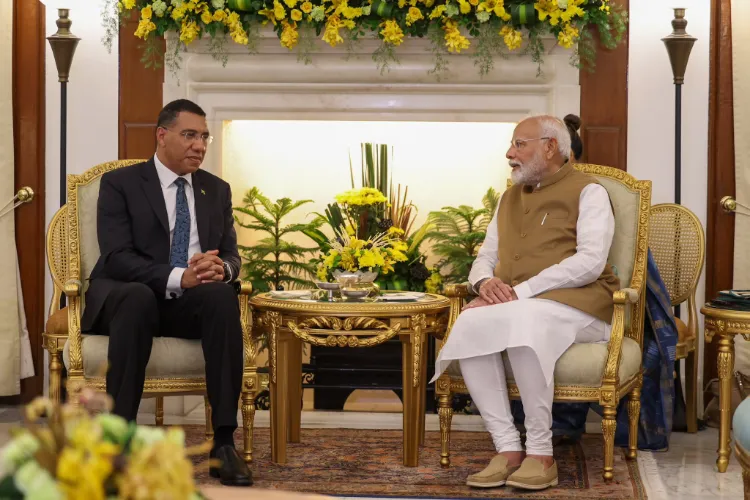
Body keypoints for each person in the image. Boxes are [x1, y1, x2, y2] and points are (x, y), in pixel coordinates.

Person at [431, 114, 619, 491]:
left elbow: (590, 263)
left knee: (523, 321)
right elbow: (486, 255)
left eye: (520, 144)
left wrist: (521, 292)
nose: (509, 153)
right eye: (512, 145)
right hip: (523, 307)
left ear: (550, 147)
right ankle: (507, 447)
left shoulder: (590, 191)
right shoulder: (509, 197)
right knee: (471, 320)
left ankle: (540, 452)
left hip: (585, 307)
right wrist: (485, 283)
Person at [81, 99, 252, 487]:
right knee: (138, 297)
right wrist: (179, 276)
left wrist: (220, 269)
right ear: (162, 135)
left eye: (204, 136)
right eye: (189, 135)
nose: (200, 145)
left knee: (222, 297)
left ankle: (223, 443)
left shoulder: (216, 190)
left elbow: (231, 254)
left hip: (184, 305)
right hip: (128, 297)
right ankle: (119, 441)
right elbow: (117, 256)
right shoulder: (121, 184)